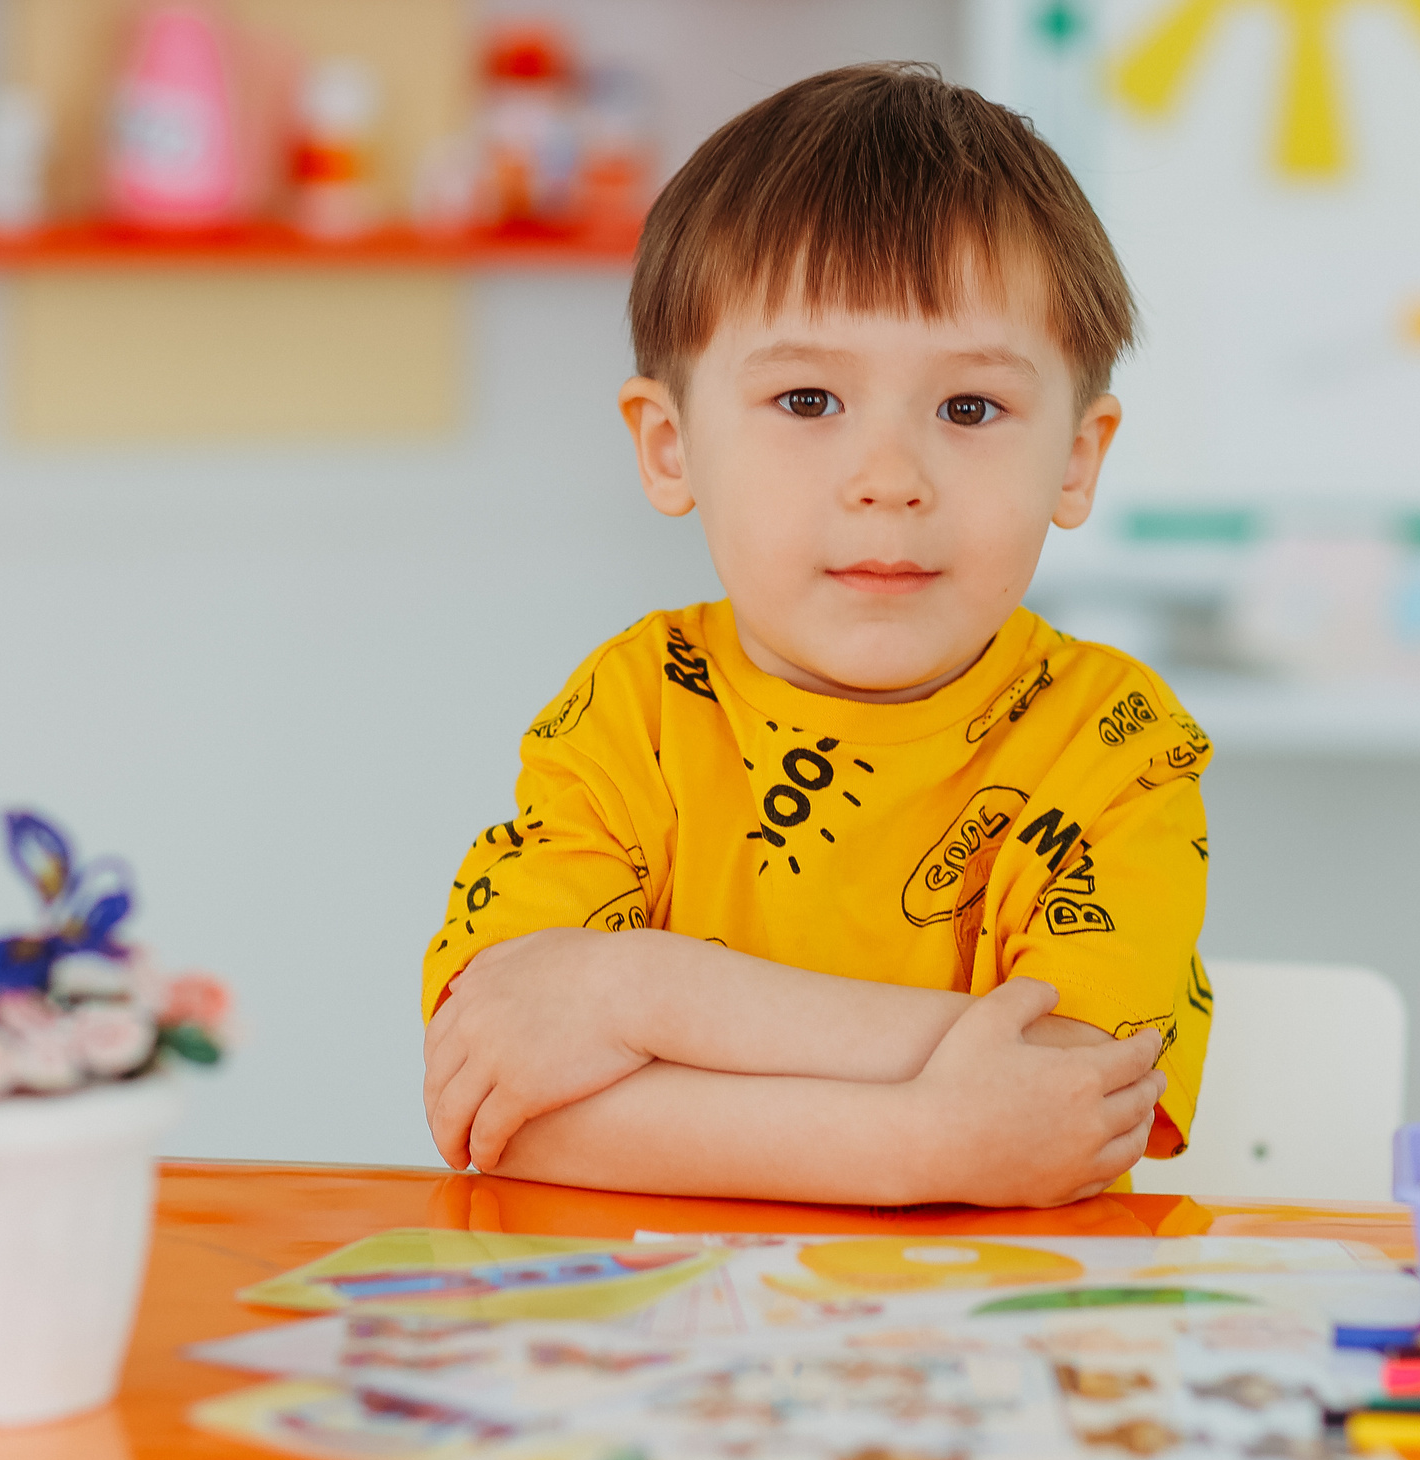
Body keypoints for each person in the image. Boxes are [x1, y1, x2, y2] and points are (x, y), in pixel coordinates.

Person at [420, 62, 1212, 1208]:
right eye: (808, 401)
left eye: (969, 407)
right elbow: (503, 1104)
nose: (888, 478)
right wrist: (925, 1141)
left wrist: (635, 994)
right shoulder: (632, 710)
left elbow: (1072, 1095)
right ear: (669, 446)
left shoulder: (1118, 742)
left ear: (1076, 460)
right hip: (658, 1321)